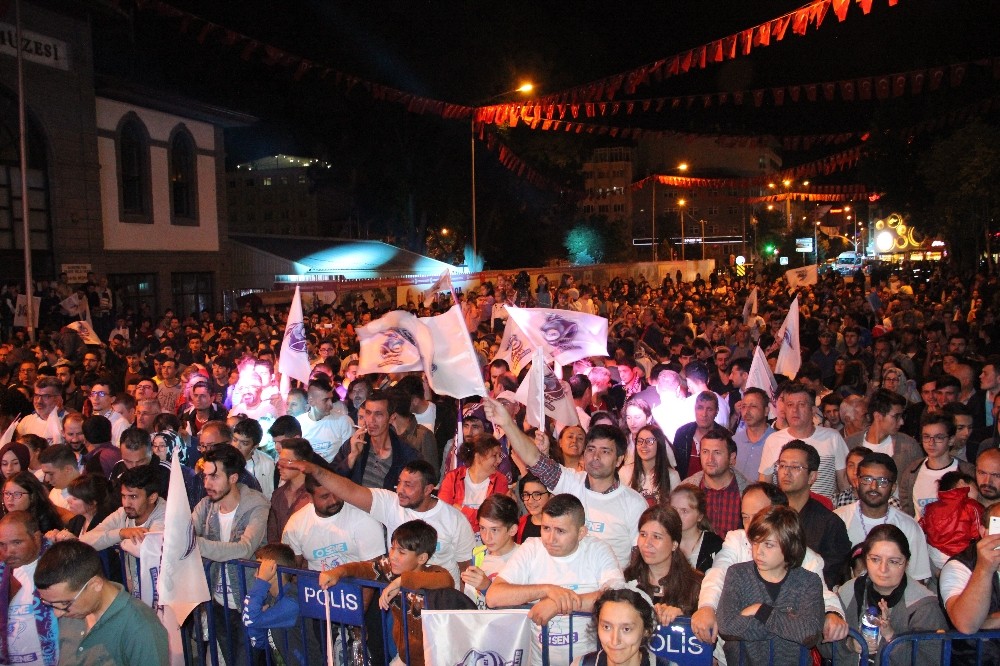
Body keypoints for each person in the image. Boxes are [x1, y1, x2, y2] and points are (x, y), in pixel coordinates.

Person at [485, 397, 647, 568]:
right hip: (566, 584)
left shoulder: (634, 504)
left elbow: (640, 558)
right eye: (591, 449)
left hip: (610, 588)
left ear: (619, 459)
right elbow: (534, 459)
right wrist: (507, 423)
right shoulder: (571, 483)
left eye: (605, 451)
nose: (596, 456)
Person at [690, 483, 849, 649]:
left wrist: (832, 612)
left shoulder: (808, 559)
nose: (751, 525)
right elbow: (717, 574)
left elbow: (820, 597)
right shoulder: (736, 541)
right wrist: (707, 607)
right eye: (745, 517)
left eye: (759, 515)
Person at [280, 457, 474, 588]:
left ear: (428, 489)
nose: (400, 489)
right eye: (400, 482)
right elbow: (349, 490)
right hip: (400, 599)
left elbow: (466, 569)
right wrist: (316, 470)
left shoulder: (454, 520)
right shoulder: (390, 504)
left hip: (441, 601)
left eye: (409, 485)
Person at [486, 493, 625, 666]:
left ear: (581, 532)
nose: (550, 539)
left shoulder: (597, 550)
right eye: (546, 528)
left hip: (587, 661)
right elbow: (493, 597)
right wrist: (547, 590)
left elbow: (618, 597)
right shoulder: (531, 548)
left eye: (560, 531)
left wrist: (557, 604)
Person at [319, 520, 453, 666]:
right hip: (405, 656)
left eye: (401, 552)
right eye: (392, 548)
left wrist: (401, 581)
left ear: (422, 558)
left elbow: (446, 579)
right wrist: (337, 572)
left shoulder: (434, 573)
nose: (393, 556)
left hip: (437, 657)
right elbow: (361, 568)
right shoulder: (389, 568)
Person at [717, 505, 825, 665]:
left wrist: (762, 611)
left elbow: (809, 634)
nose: (758, 551)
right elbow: (726, 627)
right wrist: (788, 625)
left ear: (789, 545)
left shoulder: (808, 581)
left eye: (768, 545)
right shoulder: (738, 574)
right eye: (755, 542)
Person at [192, 445, 270, 666]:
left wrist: (195, 544)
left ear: (234, 477)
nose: (207, 484)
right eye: (205, 476)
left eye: (214, 477)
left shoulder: (256, 504)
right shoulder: (206, 506)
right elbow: (182, 533)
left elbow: (244, 548)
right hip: (218, 603)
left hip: (249, 603)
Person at [34, 540, 169, 665]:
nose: (57, 614)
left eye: (64, 604)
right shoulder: (72, 611)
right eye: (50, 604)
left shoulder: (140, 626)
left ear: (95, 584)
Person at [834, 524, 946, 665]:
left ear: (906, 563)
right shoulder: (847, 592)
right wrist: (849, 644)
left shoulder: (924, 606)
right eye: (875, 559)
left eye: (893, 562)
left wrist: (891, 638)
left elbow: (933, 660)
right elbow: (824, 645)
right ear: (865, 560)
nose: (883, 569)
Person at [834, 452, 932, 583]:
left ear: (893, 488)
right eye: (867, 479)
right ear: (857, 482)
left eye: (882, 481)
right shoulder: (837, 520)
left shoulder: (909, 527)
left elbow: (917, 580)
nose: (873, 487)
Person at [774, 440, 852, 587]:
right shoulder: (768, 514)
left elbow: (828, 576)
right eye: (782, 465)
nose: (786, 472)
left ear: (812, 476)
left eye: (796, 467)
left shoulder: (830, 524)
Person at [759, 383, 849, 504]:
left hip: (823, 514)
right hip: (786, 515)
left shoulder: (833, 438)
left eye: (801, 405)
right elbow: (764, 484)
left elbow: (844, 483)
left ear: (813, 410)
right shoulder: (773, 440)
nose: (795, 410)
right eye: (790, 405)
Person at [281, 471, 385, 570]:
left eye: (336, 492)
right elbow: (291, 572)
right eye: (325, 496)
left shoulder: (364, 517)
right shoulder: (296, 524)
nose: (334, 500)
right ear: (310, 498)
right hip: (315, 586)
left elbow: (373, 573)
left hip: (356, 585)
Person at [242, 543, 322, 665]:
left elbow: (250, 619)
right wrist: (257, 626)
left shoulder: (292, 602)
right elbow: (260, 642)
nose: (255, 575)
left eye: (260, 569)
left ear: (273, 570)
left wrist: (262, 582)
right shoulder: (269, 597)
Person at [939, 501, 1000, 661]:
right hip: (974, 659)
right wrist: (985, 568)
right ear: (984, 532)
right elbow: (967, 624)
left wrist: (988, 620)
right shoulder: (958, 566)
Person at [623, 505, 703, 625]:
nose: (647, 543)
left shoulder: (696, 586)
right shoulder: (626, 580)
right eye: (643, 535)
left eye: (656, 537)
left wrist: (683, 619)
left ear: (674, 544)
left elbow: (707, 633)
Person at [330, 389, 421, 489]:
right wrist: (352, 456)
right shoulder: (355, 443)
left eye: (378, 414)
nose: (371, 420)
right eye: (368, 413)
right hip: (353, 503)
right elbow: (331, 479)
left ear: (391, 418)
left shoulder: (406, 454)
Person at [0, 511, 58, 666]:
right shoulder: (2, 572)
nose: (8, 552)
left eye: (17, 543)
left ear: (36, 537)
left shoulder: (59, 566)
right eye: (2, 544)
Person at [897, 413, 975, 518]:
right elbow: (907, 512)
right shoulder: (912, 471)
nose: (931, 443)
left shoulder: (966, 471)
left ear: (951, 440)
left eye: (939, 437)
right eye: (926, 437)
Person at [573, 587, 674, 666]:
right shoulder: (581, 664)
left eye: (626, 629)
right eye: (606, 627)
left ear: (646, 630)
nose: (615, 641)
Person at [845, 389, 923, 483]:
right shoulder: (849, 444)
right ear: (878, 416)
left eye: (902, 416)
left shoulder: (909, 446)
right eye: (896, 416)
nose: (901, 422)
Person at [681, 426, 747, 536]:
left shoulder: (746, 492)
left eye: (717, 452)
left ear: (732, 457)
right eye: (705, 452)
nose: (710, 459)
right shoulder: (685, 490)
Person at [438, 436, 510, 533]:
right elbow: (444, 513)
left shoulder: (500, 480)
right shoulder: (452, 478)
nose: (499, 460)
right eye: (494, 456)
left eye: (499, 456)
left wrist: (463, 510)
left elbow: (495, 519)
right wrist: (479, 517)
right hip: (456, 538)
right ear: (478, 456)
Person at [461, 494, 520, 608]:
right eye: (482, 528)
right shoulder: (478, 554)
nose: (487, 537)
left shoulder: (524, 556)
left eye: (494, 530)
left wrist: (487, 587)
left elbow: (523, 607)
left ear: (512, 530)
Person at [920, 470, 984, 569]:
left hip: (935, 556)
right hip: (961, 557)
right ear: (962, 483)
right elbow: (979, 533)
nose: (978, 493)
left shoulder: (930, 508)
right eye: (975, 487)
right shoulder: (972, 506)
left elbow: (920, 527)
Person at [266, 436, 315, 543]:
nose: (280, 466)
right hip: (282, 555)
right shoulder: (277, 495)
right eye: (279, 461)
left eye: (286, 462)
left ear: (302, 463)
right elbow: (272, 534)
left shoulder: (316, 495)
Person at [617, 424, 679, 506]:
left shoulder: (672, 476)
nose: (643, 445)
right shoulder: (624, 472)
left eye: (649, 441)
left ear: (659, 444)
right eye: (640, 441)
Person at [668, 484, 723, 573]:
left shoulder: (713, 545)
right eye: (673, 509)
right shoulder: (663, 539)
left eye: (684, 511)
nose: (676, 515)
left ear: (700, 516)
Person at [732, 388, 774, 481]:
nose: (747, 411)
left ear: (766, 411)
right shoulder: (734, 440)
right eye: (744, 406)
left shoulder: (776, 441)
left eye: (753, 406)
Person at [231, 418, 275, 499]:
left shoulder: (267, 463)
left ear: (255, 446)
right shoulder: (223, 459)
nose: (237, 446)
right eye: (235, 440)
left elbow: (269, 494)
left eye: (244, 443)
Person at [517, 472, 550, 542]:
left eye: (537, 494)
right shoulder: (520, 524)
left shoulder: (560, 526)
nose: (530, 501)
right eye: (526, 494)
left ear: (551, 495)